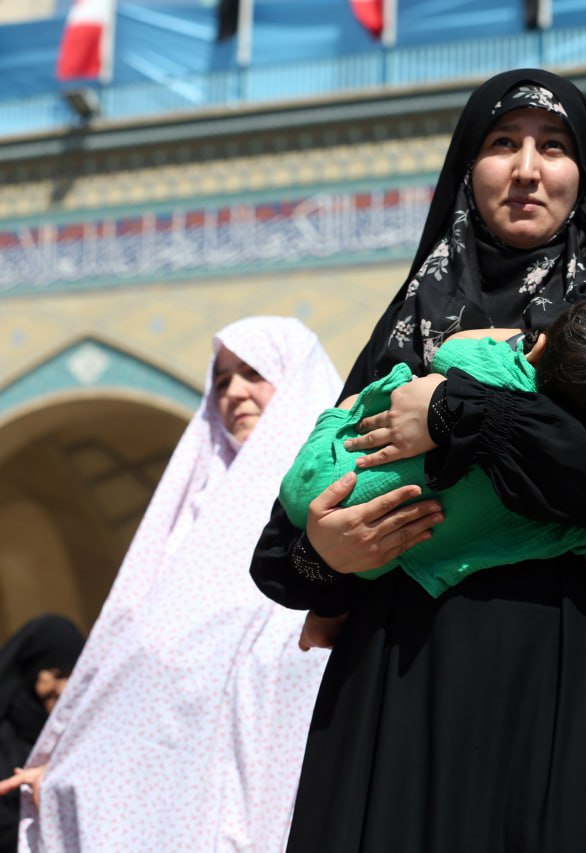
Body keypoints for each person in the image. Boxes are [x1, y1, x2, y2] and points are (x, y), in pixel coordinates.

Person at [250, 69, 586, 851]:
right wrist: (327, 551)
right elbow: (297, 522)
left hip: (579, 680)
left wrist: (460, 414)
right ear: (467, 168)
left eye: (554, 147)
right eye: (501, 144)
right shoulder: (418, 313)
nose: (526, 168)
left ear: (584, 171)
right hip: (409, 686)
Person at [6, 317, 342, 851]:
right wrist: (75, 764)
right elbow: (142, 662)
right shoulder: (196, 515)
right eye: (222, 379)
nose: (233, 392)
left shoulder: (343, 489)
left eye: (254, 373)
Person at [280, 296, 586, 658]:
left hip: (319, 479)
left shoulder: (482, 366)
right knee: (378, 558)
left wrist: (524, 343)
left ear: (540, 348)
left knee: (359, 401)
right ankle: (327, 617)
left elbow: (454, 344)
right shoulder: (559, 485)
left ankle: (325, 613)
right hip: (387, 560)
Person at [0, 616, 83, 852]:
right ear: (31, 670)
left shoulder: (81, 733)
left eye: (73, 675)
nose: (65, 688)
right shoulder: (7, 737)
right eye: (56, 674)